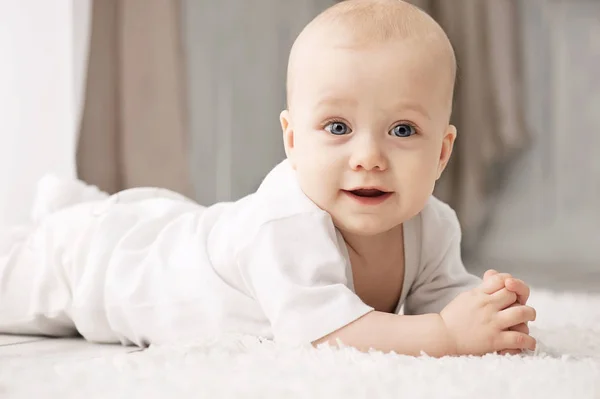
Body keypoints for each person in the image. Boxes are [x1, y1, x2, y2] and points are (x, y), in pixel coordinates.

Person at [0, 0, 536, 357]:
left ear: (443, 152)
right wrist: (446, 336)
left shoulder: (433, 223)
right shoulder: (286, 225)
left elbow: (440, 297)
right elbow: (325, 336)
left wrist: (487, 309)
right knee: (32, 272)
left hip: (190, 229)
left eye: (402, 129)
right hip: (110, 272)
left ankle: (69, 206)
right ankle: (66, 220)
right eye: (337, 126)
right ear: (292, 140)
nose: (369, 156)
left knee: (148, 222)